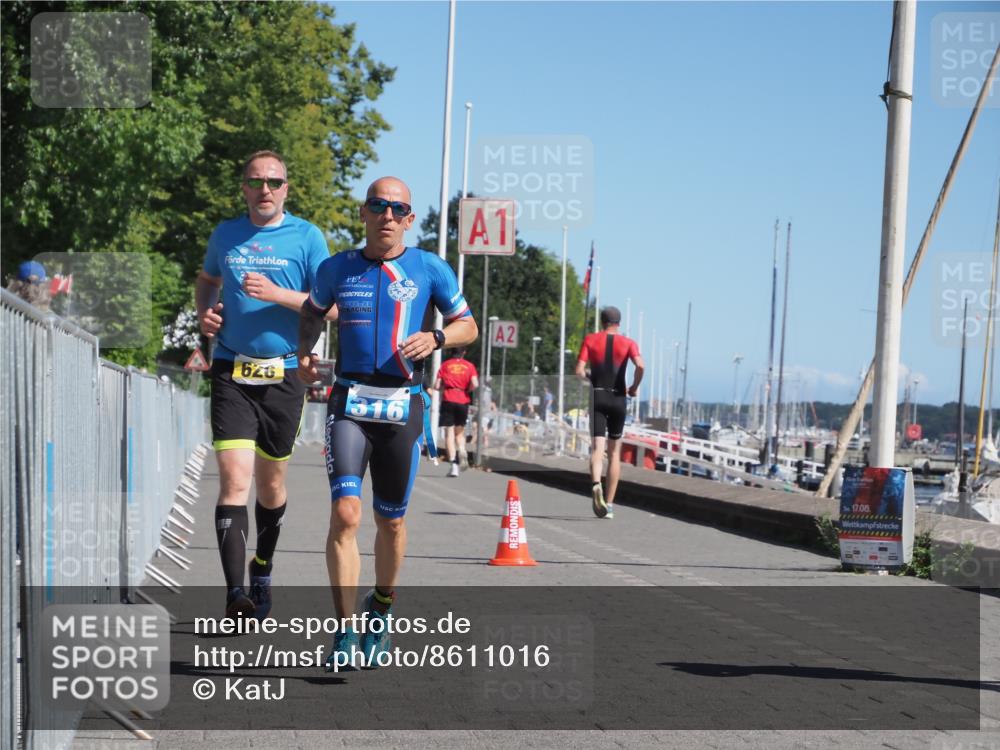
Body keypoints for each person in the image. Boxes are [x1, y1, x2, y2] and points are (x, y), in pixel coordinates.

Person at [298, 176, 477, 670]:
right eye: (378, 205)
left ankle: (380, 605)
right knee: (346, 514)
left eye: (398, 209)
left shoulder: (429, 268)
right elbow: (311, 313)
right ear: (364, 212)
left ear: (410, 219)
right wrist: (304, 353)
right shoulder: (337, 267)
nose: (388, 216)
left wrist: (437, 339)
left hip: (403, 405)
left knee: (391, 521)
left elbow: (468, 325)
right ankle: (344, 630)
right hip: (349, 403)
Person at [195, 150, 332, 621]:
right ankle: (236, 594)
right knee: (234, 480)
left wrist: (277, 295)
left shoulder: (308, 237)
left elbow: (332, 306)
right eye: (256, 182)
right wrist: (205, 314)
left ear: (286, 189)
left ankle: (263, 566)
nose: (265, 190)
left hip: (285, 373)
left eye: (274, 182)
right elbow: (208, 279)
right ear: (244, 189)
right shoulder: (226, 234)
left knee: (271, 486)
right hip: (232, 367)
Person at [575, 305, 644, 519]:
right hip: (618, 398)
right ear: (619, 323)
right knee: (614, 453)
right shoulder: (629, 343)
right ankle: (610, 505)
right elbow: (641, 366)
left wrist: (591, 376)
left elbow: (578, 371)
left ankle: (596, 484)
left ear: (602, 321)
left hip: (598, 396)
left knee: (598, 448)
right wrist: (634, 387)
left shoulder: (590, 340)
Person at [434, 347, 479, 477]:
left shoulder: (445, 365)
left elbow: (437, 385)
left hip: (448, 399)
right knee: (459, 432)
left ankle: (454, 465)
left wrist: (444, 387)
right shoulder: (469, 366)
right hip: (463, 400)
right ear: (464, 353)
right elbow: (475, 383)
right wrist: (467, 390)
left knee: (449, 433)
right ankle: (463, 450)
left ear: (451, 352)